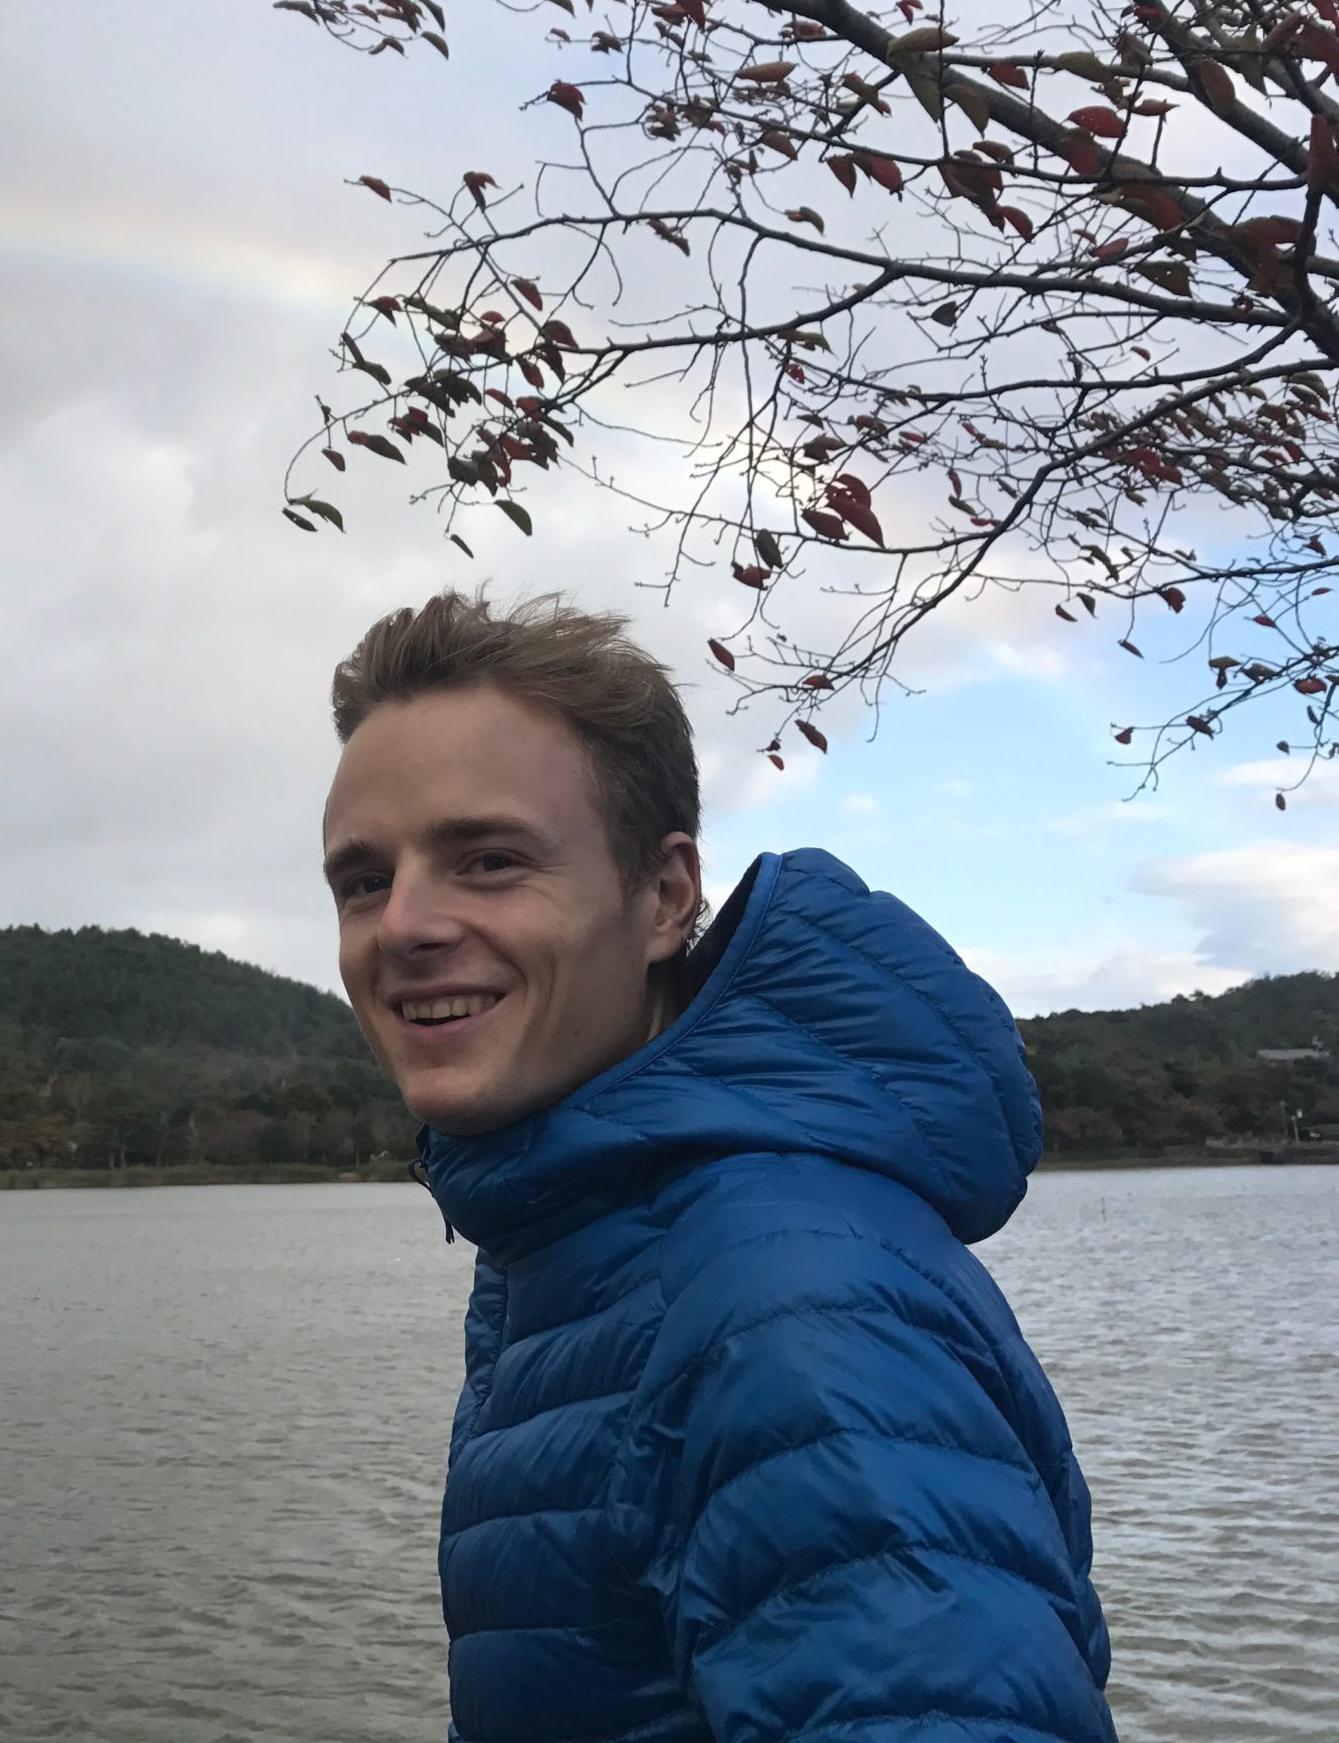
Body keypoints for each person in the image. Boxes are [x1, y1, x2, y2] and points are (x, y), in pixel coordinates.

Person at [319, 591, 1116, 1743]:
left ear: (663, 898)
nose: (402, 926)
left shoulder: (782, 1305)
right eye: (362, 881)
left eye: (487, 860)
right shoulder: (586, 1238)